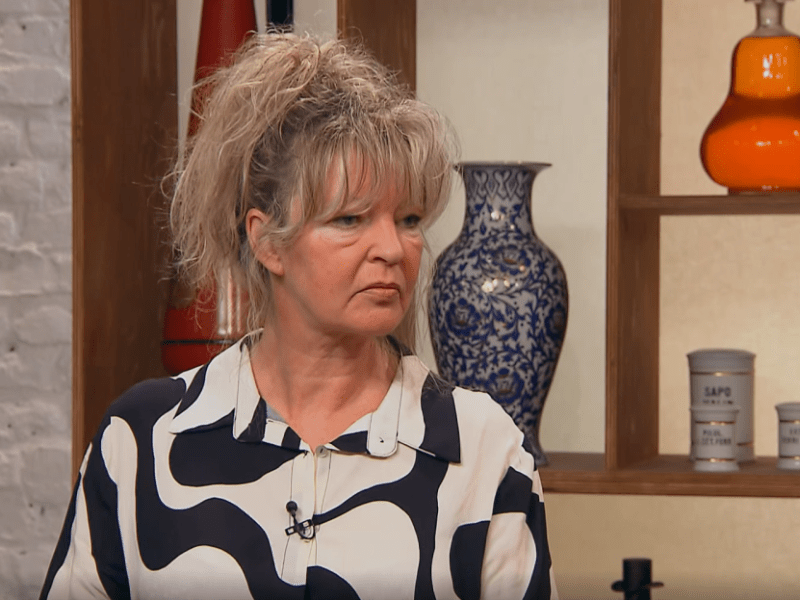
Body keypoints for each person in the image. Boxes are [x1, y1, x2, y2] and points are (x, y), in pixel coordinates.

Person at [40, 32, 557, 600]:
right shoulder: (141, 440)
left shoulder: (482, 449)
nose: (393, 249)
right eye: (350, 219)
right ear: (267, 242)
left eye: (408, 219)